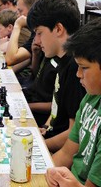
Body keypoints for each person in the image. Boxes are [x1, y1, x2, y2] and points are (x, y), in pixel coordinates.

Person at [27, 0, 86, 153]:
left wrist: (40, 146)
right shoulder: (61, 60)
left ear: (58, 29)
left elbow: (74, 133)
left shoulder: (76, 67)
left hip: (58, 150)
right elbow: (57, 106)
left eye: (39, 33)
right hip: (51, 136)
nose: (37, 41)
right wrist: (46, 127)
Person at [46, 18, 101, 187]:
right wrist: (44, 173)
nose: (78, 74)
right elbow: (66, 154)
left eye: (83, 67)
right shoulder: (90, 98)